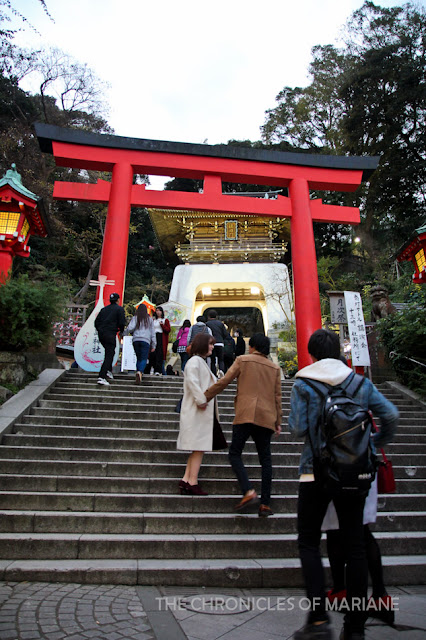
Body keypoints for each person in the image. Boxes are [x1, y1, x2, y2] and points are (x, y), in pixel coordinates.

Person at [288, 329, 399, 640]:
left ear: (310, 353)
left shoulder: (304, 382)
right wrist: (372, 445)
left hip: (314, 471)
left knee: (309, 542)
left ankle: (319, 620)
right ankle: (355, 628)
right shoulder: (359, 382)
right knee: (356, 546)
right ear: (338, 351)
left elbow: (297, 428)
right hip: (354, 473)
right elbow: (390, 415)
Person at [204, 333, 282, 516]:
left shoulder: (242, 360)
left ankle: (248, 490)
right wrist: (278, 421)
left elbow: (224, 381)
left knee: (234, 454)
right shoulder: (274, 368)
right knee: (266, 460)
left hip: (245, 414)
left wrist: (205, 396)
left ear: (252, 346)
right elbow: (277, 397)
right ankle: (265, 504)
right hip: (266, 417)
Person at [323, 477, 395, 626]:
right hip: (364, 472)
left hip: (340, 471)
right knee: (361, 531)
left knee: (335, 526)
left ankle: (340, 591)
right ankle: (379, 595)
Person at [177, 333, 227, 495]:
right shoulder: (195, 362)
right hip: (198, 410)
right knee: (198, 448)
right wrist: (201, 400)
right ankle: (193, 481)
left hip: (200, 411)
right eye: (210, 344)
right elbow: (192, 382)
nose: (212, 346)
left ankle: (186, 479)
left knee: (197, 448)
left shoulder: (198, 362)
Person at [94, 292, 125, 386]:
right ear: (118, 300)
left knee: (109, 352)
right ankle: (102, 376)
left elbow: (97, 322)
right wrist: (121, 330)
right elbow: (122, 322)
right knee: (109, 354)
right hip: (110, 333)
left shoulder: (104, 309)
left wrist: (100, 330)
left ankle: (108, 371)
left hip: (102, 334)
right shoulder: (119, 309)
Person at [124, 304, 155, 384]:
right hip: (146, 340)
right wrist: (154, 344)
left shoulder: (135, 318)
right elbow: (152, 333)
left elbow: (130, 328)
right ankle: (140, 372)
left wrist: (124, 333)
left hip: (136, 339)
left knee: (138, 357)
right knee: (144, 358)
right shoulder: (149, 319)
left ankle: (138, 372)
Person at [146, 306, 170, 375]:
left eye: (159, 310)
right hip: (154, 337)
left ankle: (158, 370)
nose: (158, 312)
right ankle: (151, 369)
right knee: (153, 354)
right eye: (156, 310)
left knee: (160, 354)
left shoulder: (165, 320)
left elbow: (168, 330)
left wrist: (162, 325)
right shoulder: (153, 320)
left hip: (161, 337)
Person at [206, 309, 228, 375]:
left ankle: (214, 374)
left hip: (211, 344)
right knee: (221, 359)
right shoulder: (220, 324)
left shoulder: (207, 324)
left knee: (213, 360)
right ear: (216, 316)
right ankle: (221, 370)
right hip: (220, 343)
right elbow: (225, 334)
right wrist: (222, 339)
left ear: (209, 316)